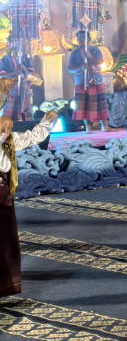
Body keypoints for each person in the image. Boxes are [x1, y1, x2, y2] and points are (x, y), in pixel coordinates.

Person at [0, 111, 58, 297]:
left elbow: (32, 137)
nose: (7, 129)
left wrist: (47, 121)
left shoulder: (10, 139)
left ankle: (5, 285)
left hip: (2, 192)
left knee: (6, 241)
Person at [67, 30, 108, 132]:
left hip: (95, 80)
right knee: (84, 104)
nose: (81, 40)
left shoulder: (95, 50)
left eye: (83, 38)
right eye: (79, 39)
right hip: (81, 82)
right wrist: (81, 67)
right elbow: (70, 69)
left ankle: (105, 125)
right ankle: (88, 126)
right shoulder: (74, 53)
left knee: (100, 103)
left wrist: (87, 54)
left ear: (88, 39)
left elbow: (99, 62)